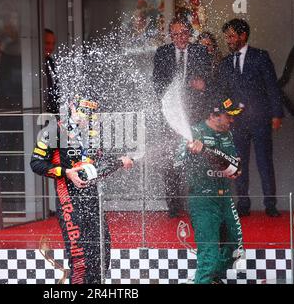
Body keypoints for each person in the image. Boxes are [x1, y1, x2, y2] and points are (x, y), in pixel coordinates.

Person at [30, 95, 133, 284]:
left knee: (102, 253)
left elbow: (95, 167)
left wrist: (120, 161)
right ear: (71, 107)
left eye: (92, 112)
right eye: (84, 111)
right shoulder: (53, 130)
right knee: (80, 260)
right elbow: (36, 164)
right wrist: (66, 172)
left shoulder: (91, 135)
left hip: (92, 201)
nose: (87, 117)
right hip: (68, 201)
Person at [218, 19, 284, 217]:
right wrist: (228, 112)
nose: (228, 40)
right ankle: (243, 204)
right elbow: (223, 93)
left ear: (243, 35)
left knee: (264, 162)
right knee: (239, 164)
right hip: (237, 122)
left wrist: (277, 114)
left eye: (231, 36)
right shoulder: (225, 62)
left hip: (261, 119)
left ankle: (270, 205)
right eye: (226, 37)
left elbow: (272, 86)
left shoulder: (260, 56)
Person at [176, 96, 244, 284]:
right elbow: (176, 162)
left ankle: (213, 277)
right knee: (209, 255)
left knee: (235, 248)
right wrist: (189, 150)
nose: (232, 120)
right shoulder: (194, 132)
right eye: (228, 116)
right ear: (214, 115)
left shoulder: (228, 135)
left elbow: (236, 165)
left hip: (225, 198)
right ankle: (205, 278)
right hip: (203, 200)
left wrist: (235, 168)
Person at [153, 16, 212, 217]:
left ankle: (199, 202)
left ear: (190, 33)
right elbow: (157, 84)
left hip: (196, 115)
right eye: (175, 34)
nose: (180, 37)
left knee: (197, 159)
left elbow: (209, 82)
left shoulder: (201, 51)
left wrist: (202, 87)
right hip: (171, 117)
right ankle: (174, 206)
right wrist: (171, 98)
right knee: (170, 161)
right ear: (170, 35)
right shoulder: (162, 53)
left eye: (184, 33)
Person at [43, 28, 60, 114]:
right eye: (47, 43)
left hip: (51, 113)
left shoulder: (50, 62)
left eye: (53, 44)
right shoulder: (33, 63)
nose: (51, 47)